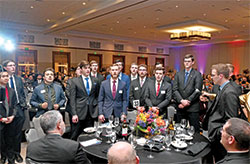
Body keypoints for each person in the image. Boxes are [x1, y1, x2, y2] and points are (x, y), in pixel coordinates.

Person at [203, 63, 241, 162]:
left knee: (221, 159)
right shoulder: (221, 88)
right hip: (216, 132)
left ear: (220, 76)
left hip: (221, 135)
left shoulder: (229, 92)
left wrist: (220, 132)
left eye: (213, 75)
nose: (211, 78)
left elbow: (232, 119)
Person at [26, 110, 91, 164]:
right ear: (58, 125)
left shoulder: (31, 147)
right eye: (62, 121)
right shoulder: (73, 147)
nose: (64, 124)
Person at [2, 59, 27, 163]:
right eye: (10, 65)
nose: (13, 67)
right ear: (5, 68)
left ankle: (17, 153)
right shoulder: (2, 79)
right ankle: (5, 155)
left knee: (17, 134)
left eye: (14, 65)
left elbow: (21, 93)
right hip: (6, 110)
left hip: (19, 109)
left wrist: (23, 104)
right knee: (6, 135)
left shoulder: (18, 79)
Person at [69, 60, 100, 140]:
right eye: (85, 68)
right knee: (75, 134)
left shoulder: (95, 80)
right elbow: (72, 99)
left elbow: (97, 96)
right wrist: (74, 114)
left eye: (89, 68)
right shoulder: (75, 81)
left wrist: (96, 108)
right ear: (81, 69)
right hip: (79, 112)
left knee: (90, 135)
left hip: (91, 112)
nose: (88, 70)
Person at [173, 54, 203, 132]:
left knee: (194, 131)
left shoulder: (197, 74)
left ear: (192, 62)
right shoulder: (178, 74)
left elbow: (197, 90)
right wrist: (181, 101)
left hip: (192, 107)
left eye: (189, 61)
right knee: (179, 130)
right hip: (180, 107)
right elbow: (175, 89)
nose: (187, 63)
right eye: (185, 61)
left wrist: (187, 101)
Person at [0, 71, 17, 164]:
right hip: (1, 120)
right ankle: (3, 156)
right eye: (3, 76)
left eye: (7, 76)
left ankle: (11, 158)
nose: (6, 78)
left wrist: (13, 116)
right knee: (2, 141)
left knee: (10, 139)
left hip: (10, 119)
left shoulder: (11, 91)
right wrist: (1, 118)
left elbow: (15, 105)